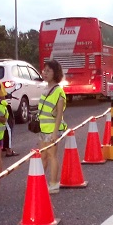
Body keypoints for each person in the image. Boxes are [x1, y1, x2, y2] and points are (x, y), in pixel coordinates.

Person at [37, 59, 68, 194]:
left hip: (52, 130)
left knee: (51, 156)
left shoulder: (58, 92)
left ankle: (54, 183)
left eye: (48, 71)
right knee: (43, 156)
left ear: (56, 73)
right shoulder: (45, 89)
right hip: (43, 128)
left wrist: (55, 133)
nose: (45, 73)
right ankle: (39, 183)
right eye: (44, 70)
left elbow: (59, 114)